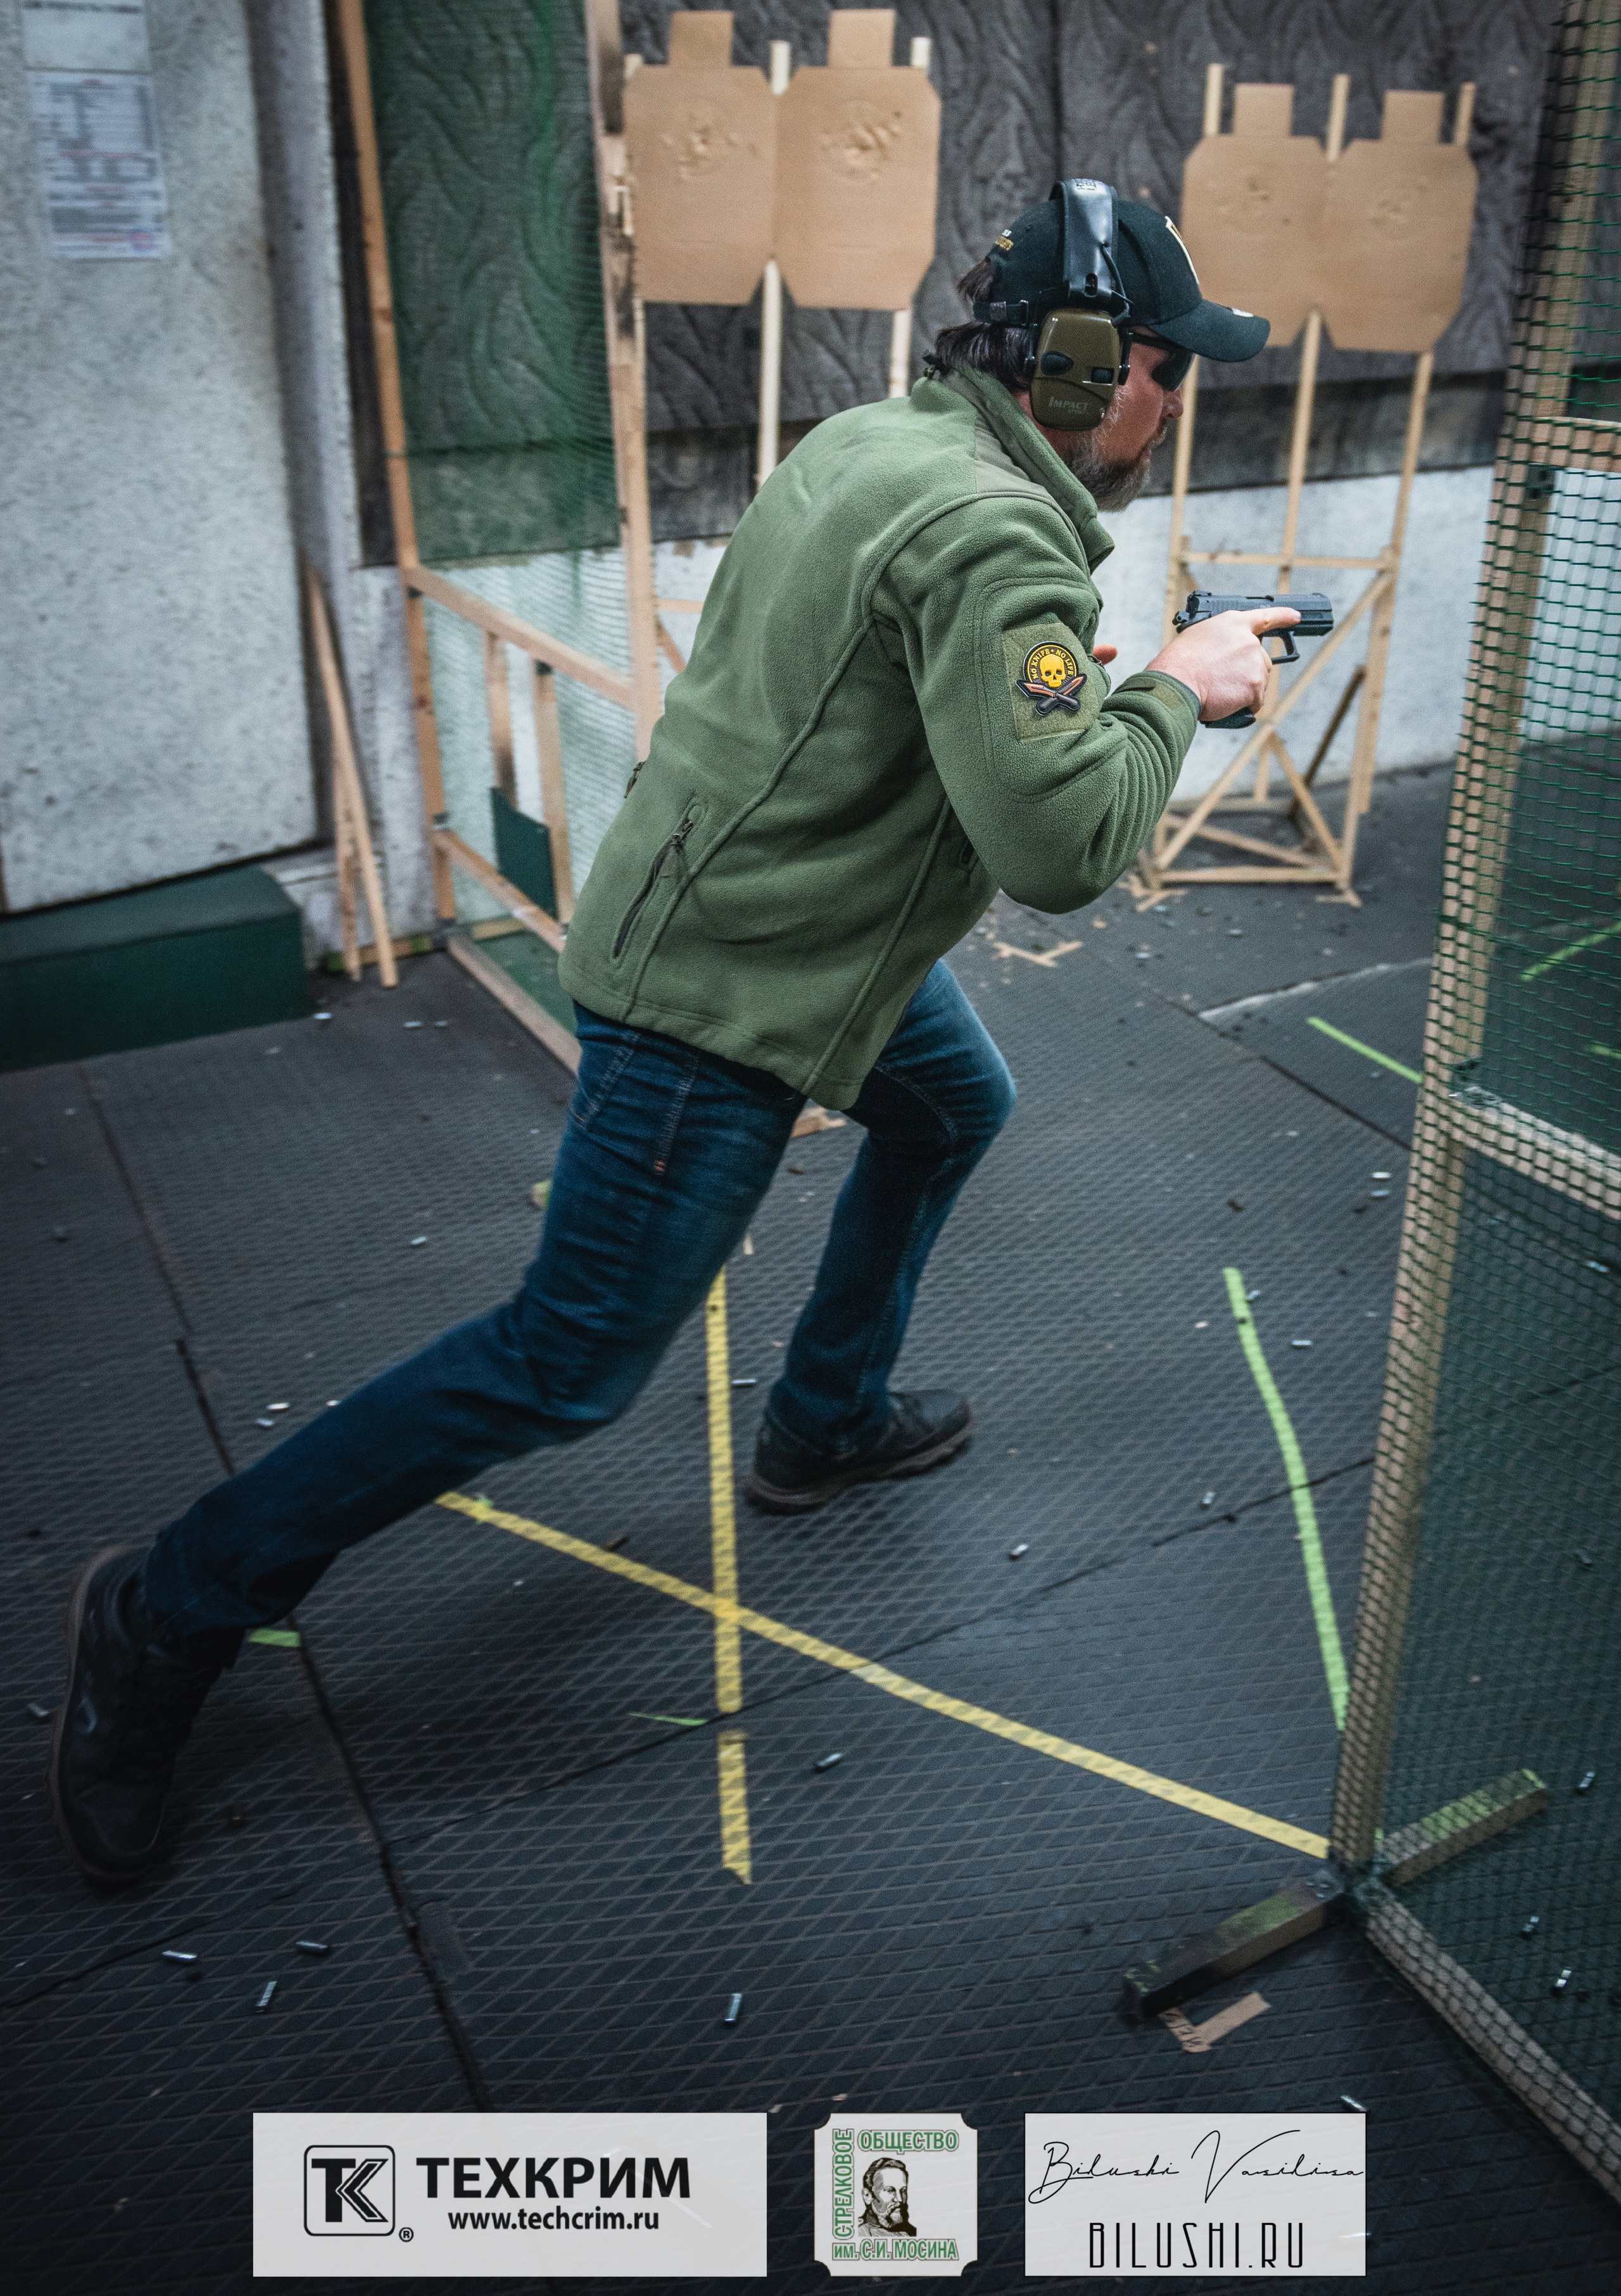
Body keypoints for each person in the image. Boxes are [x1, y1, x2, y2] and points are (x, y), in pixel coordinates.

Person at [49, 186, 1292, 1885]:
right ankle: (164, 1607)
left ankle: (822, 1417)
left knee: (952, 1102)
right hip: (725, 986)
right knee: (564, 1360)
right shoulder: (998, 538)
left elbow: (932, 719)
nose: (1171, 401)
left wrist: (1094, 688)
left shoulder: (887, 440)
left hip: (785, 923)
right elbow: (1062, 847)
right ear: (1080, 370)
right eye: (1161, 367)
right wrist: (1177, 686)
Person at [860, 2157, 918, 2239]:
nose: (900, 2199)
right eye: (890, 2190)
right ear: (868, 2196)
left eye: (904, 2191)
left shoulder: (912, 2231)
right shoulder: (861, 2233)